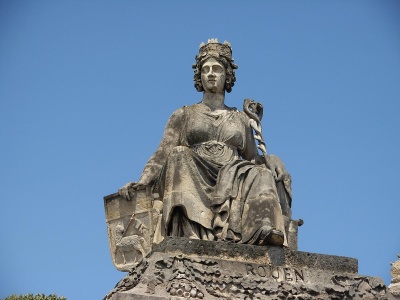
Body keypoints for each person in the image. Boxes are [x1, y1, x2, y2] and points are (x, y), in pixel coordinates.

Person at [119, 39, 286, 246]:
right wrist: (143, 181)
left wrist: (272, 159)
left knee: (261, 173)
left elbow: (252, 157)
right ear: (199, 77)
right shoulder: (184, 114)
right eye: (205, 70)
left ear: (227, 76)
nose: (210, 73)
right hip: (193, 173)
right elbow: (162, 154)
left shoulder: (241, 119)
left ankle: (263, 230)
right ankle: (191, 237)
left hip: (232, 176)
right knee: (179, 154)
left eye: (216, 68)